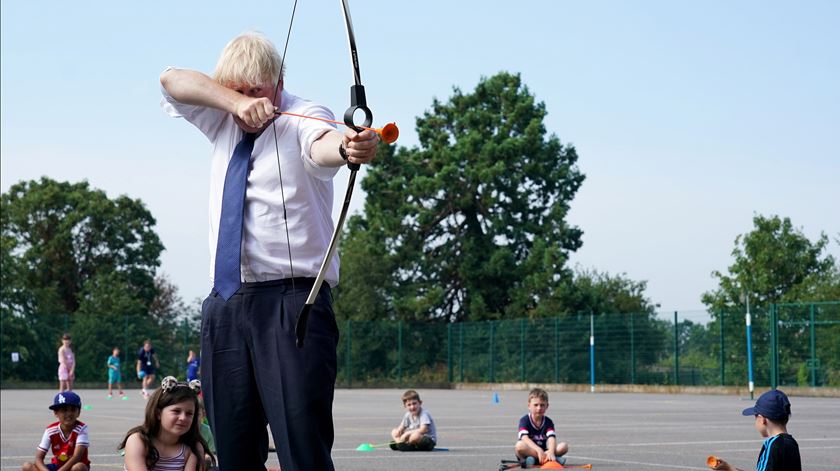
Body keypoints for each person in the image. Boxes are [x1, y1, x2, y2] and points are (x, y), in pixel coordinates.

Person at [159, 31, 380, 471]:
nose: (249, 100)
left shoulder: (304, 116)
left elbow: (324, 146)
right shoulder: (224, 118)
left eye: (256, 90)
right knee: (233, 446)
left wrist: (348, 148)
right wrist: (235, 102)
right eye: (236, 89)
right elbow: (171, 80)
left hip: (292, 301)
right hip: (225, 302)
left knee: (301, 445)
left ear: (278, 81)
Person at [120, 376, 211, 471]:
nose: (183, 418)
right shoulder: (138, 440)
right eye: (176, 411)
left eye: (189, 413)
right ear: (158, 413)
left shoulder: (193, 448)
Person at [710, 389, 801, 471]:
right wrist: (728, 468)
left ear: (762, 419)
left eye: (755, 416)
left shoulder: (772, 445)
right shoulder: (792, 443)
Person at [22, 391, 90, 471]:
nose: (68, 413)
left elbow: (76, 457)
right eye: (64, 410)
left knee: (78, 467)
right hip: (57, 466)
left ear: (78, 412)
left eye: (72, 410)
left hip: (73, 466)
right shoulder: (50, 430)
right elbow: (38, 458)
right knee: (27, 466)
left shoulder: (81, 429)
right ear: (56, 413)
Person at [514, 388, 569, 467]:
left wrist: (551, 451)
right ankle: (551, 459)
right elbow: (525, 438)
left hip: (543, 451)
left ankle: (536, 459)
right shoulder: (524, 420)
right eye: (536, 405)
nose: (539, 408)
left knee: (564, 446)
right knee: (519, 446)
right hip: (529, 451)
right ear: (529, 406)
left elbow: (551, 438)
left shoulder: (548, 422)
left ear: (547, 406)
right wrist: (538, 450)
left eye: (542, 405)